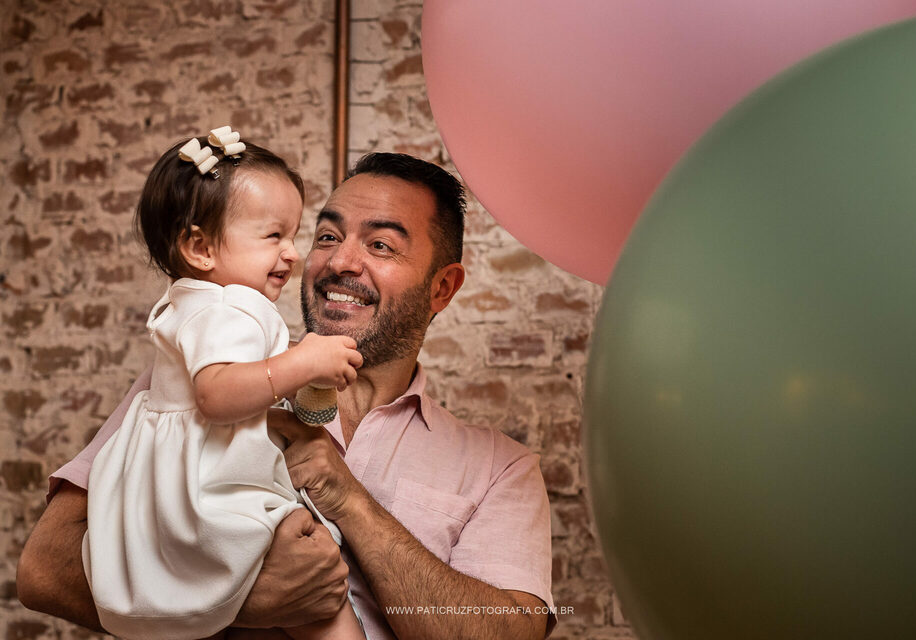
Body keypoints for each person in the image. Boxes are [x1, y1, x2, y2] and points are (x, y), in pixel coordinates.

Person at [18, 152, 555, 640]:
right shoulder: (203, 377)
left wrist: (348, 500)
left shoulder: (499, 469)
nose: (339, 261)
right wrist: (240, 599)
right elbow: (43, 570)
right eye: (326, 236)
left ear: (443, 287)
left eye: (380, 244)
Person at [77, 128, 366, 640]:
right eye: (273, 235)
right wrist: (303, 360)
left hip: (164, 487)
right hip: (207, 488)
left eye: (294, 234)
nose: (293, 253)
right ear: (200, 246)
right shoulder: (234, 304)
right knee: (325, 598)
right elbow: (217, 397)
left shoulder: (192, 301)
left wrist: (290, 405)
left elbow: (229, 403)